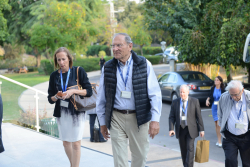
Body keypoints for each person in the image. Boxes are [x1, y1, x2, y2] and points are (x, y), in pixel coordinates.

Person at [96, 33, 162, 167]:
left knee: (140, 156)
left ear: (130, 46)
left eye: (119, 45)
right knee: (120, 160)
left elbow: (155, 93)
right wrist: (102, 122)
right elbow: (101, 98)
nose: (115, 49)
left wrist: (155, 120)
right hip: (116, 118)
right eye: (113, 46)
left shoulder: (144, 64)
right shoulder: (107, 67)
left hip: (139, 117)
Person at [48, 47, 92, 167]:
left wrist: (73, 91)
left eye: (63, 59)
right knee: (66, 143)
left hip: (76, 112)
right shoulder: (54, 76)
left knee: (76, 143)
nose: (61, 62)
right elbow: (50, 99)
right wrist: (56, 97)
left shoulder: (78, 71)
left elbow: (89, 91)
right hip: (61, 113)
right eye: (58, 60)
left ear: (69, 58)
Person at [169, 84, 204, 167]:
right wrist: (171, 128)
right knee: (183, 150)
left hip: (191, 129)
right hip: (180, 129)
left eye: (184, 92)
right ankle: (185, 165)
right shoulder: (175, 102)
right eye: (181, 92)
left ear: (188, 92)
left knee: (190, 148)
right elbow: (171, 117)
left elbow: (199, 116)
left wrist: (201, 129)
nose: (182, 94)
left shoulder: (194, 101)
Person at [218, 80, 250, 167]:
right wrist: (222, 125)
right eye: (231, 94)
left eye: (236, 94)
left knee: (247, 163)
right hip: (230, 137)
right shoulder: (224, 97)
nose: (233, 97)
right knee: (230, 160)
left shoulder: (249, 97)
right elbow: (220, 114)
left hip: (247, 136)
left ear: (242, 90)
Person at [206, 76, 225, 147]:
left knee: (218, 124)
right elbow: (210, 96)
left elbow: (225, 97)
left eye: (217, 80)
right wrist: (207, 100)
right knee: (216, 124)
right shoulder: (213, 88)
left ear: (220, 81)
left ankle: (220, 140)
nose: (216, 81)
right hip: (214, 107)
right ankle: (218, 139)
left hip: (220, 107)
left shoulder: (223, 89)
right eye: (215, 80)